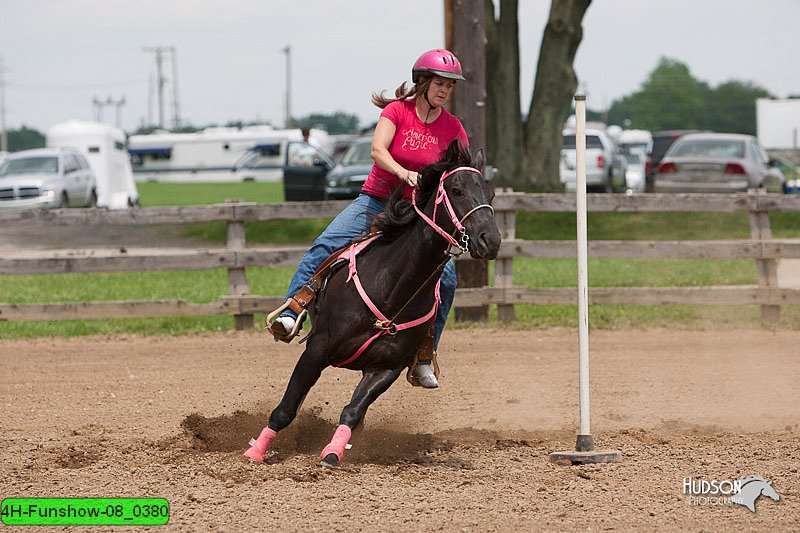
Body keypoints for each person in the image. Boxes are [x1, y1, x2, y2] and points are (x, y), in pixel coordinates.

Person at [270, 49, 468, 389]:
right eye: (439, 83)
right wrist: (404, 174)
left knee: (446, 280)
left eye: (449, 86)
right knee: (328, 244)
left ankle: (423, 354)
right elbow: (378, 150)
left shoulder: (452, 127)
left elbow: (461, 168)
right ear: (421, 83)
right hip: (377, 200)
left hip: (419, 215)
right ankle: (292, 311)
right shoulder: (397, 112)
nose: (445, 91)